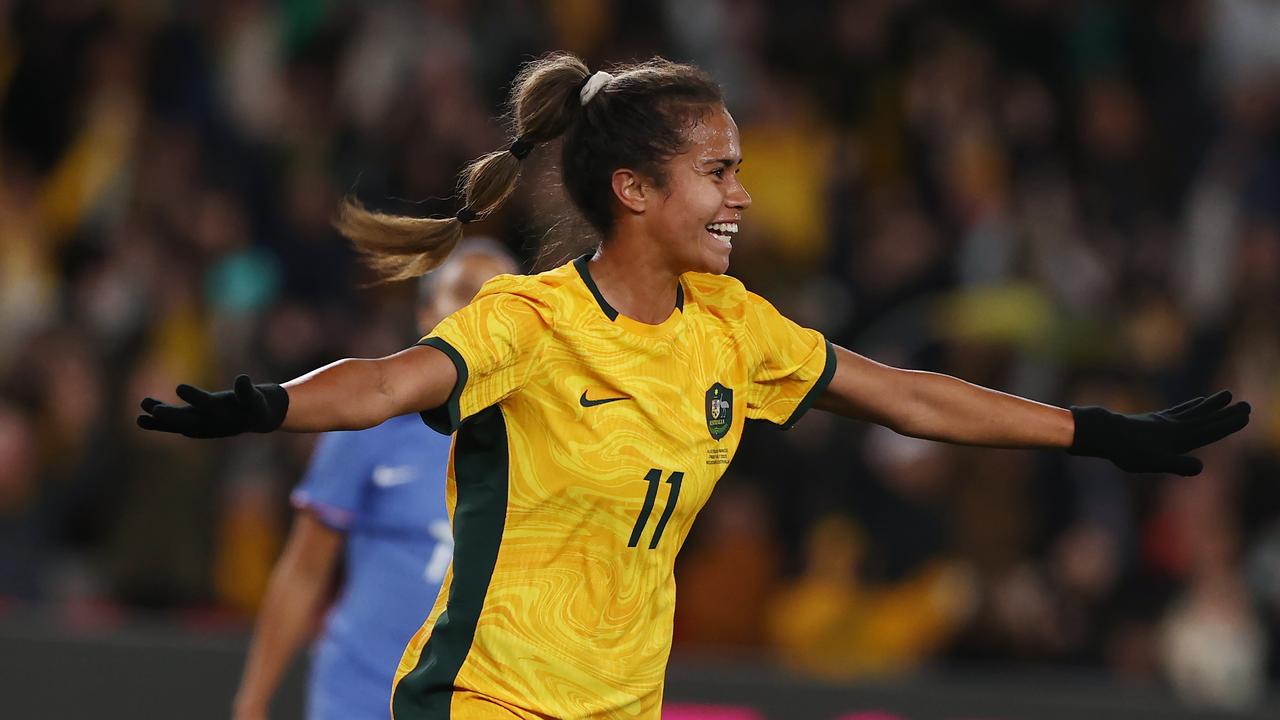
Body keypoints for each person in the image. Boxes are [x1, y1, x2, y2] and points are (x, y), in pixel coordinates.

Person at [138, 53, 1251, 720]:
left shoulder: (733, 330)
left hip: (617, 705)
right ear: (632, 188)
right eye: (716, 171)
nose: (743, 196)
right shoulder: (532, 322)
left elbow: (910, 397)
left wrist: (1097, 431)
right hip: (485, 699)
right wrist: (267, 405)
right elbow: (387, 381)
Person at [231, 239, 519, 720]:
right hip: (360, 694)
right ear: (428, 314)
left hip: (477, 702)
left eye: (497, 300)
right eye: (464, 292)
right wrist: (253, 701)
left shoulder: (547, 436)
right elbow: (303, 572)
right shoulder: (369, 426)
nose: (479, 310)